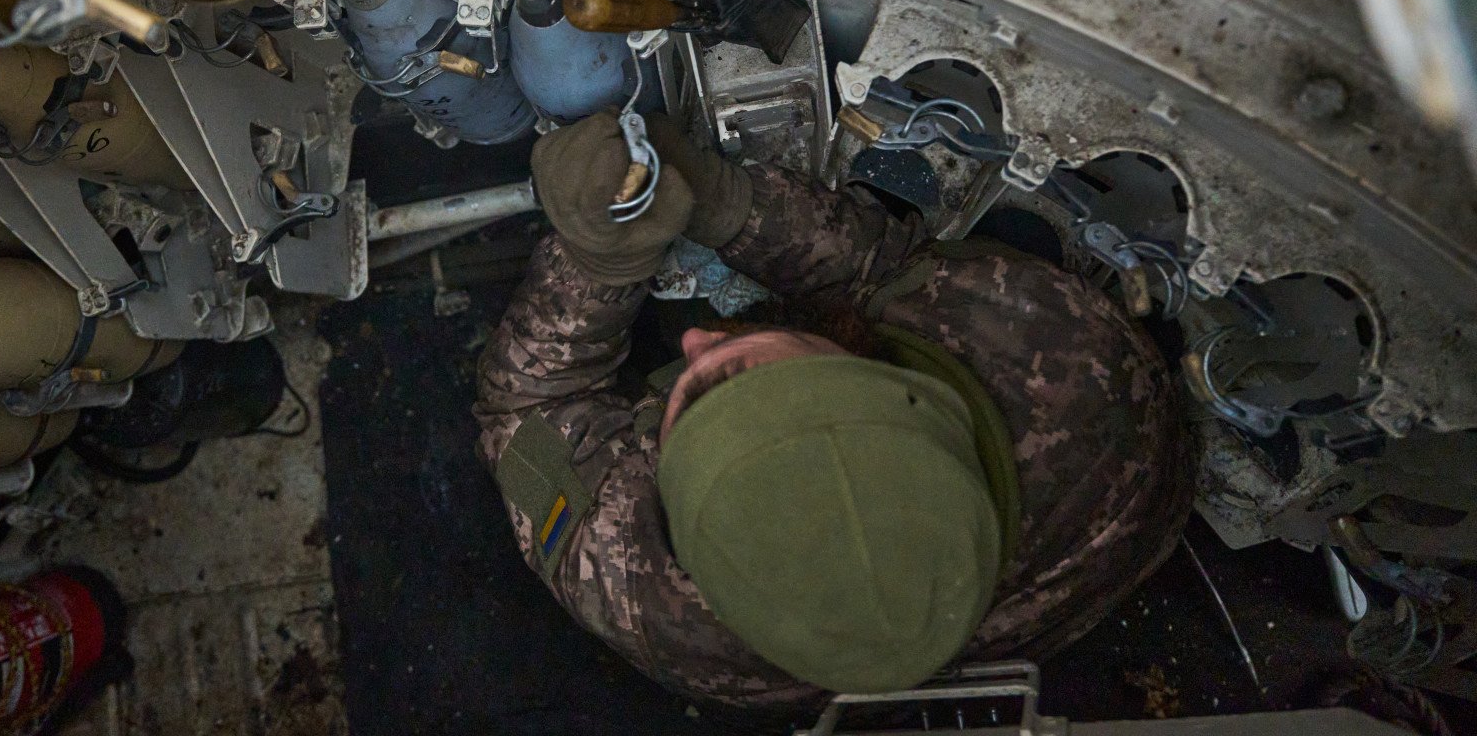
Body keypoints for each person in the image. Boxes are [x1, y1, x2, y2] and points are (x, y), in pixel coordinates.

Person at [473, 111, 1194, 715]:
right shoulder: (1073, 367)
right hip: (1105, 541)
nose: (692, 337)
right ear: (877, 368)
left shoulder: (659, 611)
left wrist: (599, 265)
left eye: (689, 401)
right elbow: (885, 266)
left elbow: (523, 413)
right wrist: (725, 204)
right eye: (735, 362)